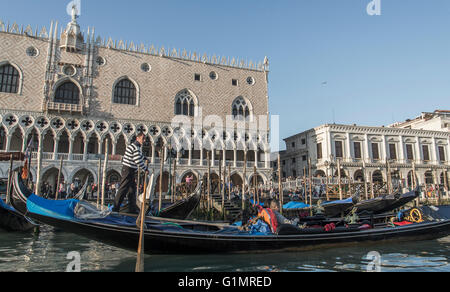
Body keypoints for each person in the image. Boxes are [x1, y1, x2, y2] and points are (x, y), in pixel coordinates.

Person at [112, 133, 149, 214]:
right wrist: (145, 169)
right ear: (137, 138)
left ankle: (132, 209)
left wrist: (144, 158)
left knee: (132, 190)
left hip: (130, 170)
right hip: (128, 170)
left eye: (145, 139)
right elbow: (137, 160)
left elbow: (139, 156)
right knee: (123, 189)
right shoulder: (135, 147)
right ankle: (115, 209)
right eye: (143, 139)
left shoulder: (135, 147)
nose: (144, 140)